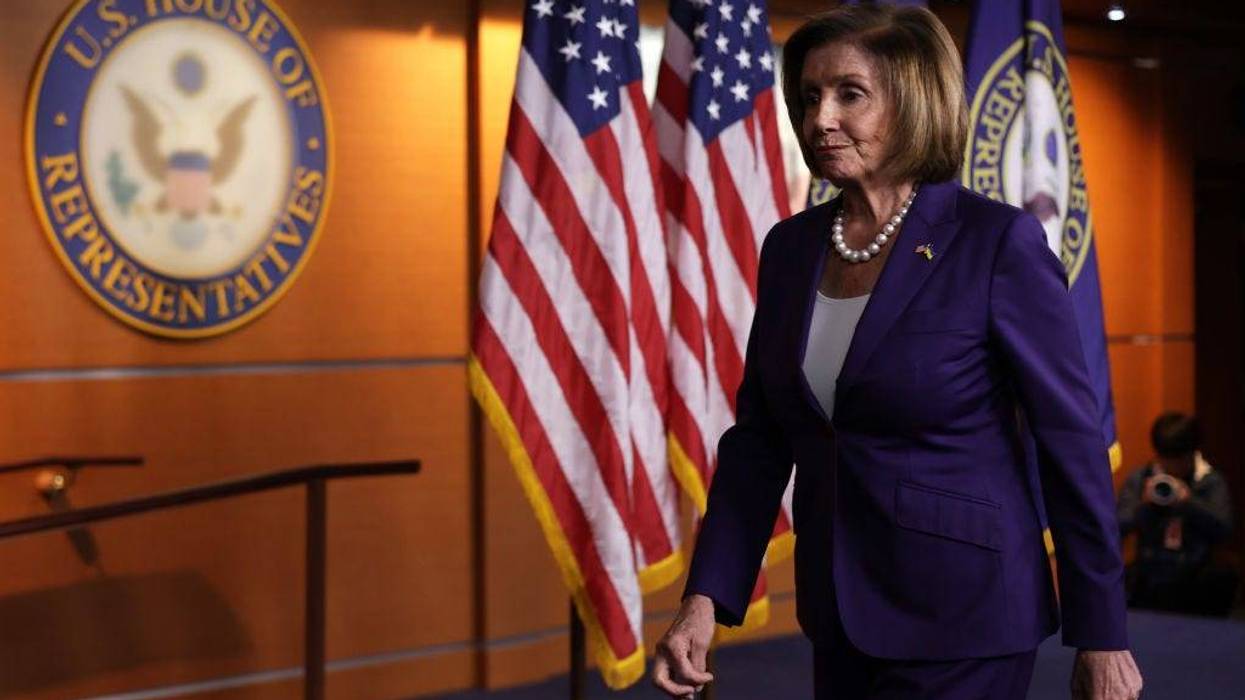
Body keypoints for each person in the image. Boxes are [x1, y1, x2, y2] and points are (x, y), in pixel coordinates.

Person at [651, 5, 1142, 700]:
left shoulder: (994, 243)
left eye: (849, 94)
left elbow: (1069, 442)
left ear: (910, 101)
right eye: (808, 96)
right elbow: (761, 439)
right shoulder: (790, 249)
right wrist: (705, 597)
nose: (820, 118)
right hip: (838, 612)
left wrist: (1102, 632)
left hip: (967, 616)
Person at [1118, 412, 1236, 616]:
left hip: (1196, 580)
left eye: (1178, 461)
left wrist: (1190, 502)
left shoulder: (1210, 481)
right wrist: (1145, 505)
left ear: (1192, 453)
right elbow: (1118, 527)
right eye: (1166, 461)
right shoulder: (1141, 479)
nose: (1172, 468)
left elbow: (1225, 529)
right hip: (1149, 579)